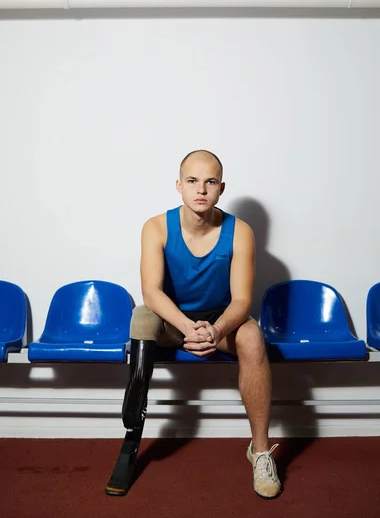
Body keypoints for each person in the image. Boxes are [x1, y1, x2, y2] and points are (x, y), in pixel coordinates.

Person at [105, 149, 281, 499]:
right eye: (192, 181)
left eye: (210, 182)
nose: (201, 189)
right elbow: (152, 293)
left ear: (221, 188)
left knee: (253, 337)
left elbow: (242, 301)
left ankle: (260, 452)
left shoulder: (240, 232)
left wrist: (215, 331)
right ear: (179, 186)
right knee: (141, 315)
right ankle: (131, 438)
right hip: (173, 320)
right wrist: (188, 327)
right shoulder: (156, 227)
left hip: (221, 322)